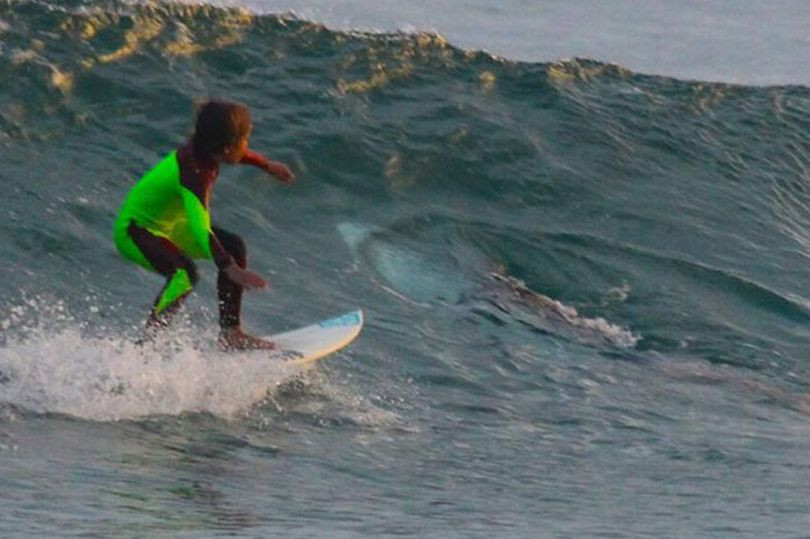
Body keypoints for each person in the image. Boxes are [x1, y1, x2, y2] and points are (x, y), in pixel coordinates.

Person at [113, 99, 294, 350]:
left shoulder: (204, 150)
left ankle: (231, 334)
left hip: (168, 227)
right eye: (245, 139)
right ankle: (146, 346)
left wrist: (266, 165)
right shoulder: (194, 174)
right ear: (227, 148)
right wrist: (228, 267)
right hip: (135, 231)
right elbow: (200, 226)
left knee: (233, 245)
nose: (247, 145)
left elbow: (237, 154)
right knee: (185, 274)